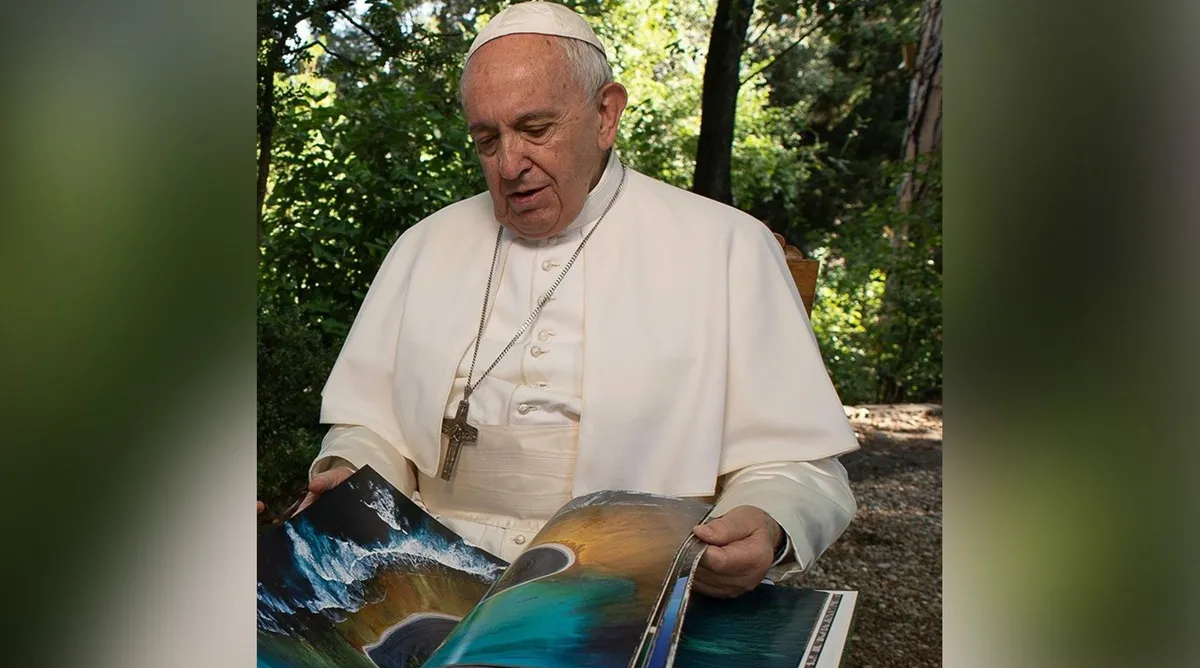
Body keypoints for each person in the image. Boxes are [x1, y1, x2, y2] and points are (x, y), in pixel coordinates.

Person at [280, 1, 859, 599]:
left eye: (535, 130)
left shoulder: (727, 246)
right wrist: (350, 475)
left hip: (632, 588)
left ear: (606, 115)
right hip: (426, 573)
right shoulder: (423, 246)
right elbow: (371, 426)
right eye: (487, 139)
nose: (509, 165)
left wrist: (765, 519)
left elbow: (797, 466)